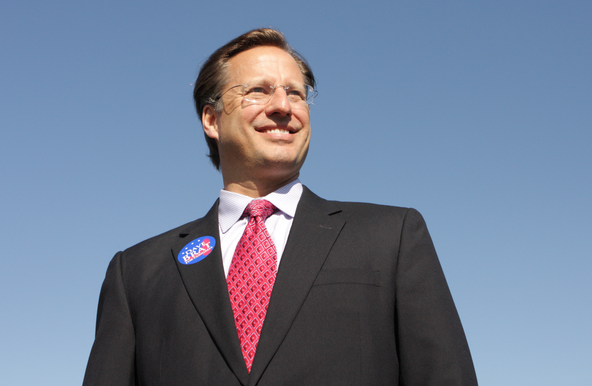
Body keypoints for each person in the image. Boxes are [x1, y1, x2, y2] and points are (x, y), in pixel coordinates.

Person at [83, 28, 478, 386]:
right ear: (211, 119)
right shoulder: (136, 273)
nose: (283, 106)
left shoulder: (391, 237)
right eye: (258, 90)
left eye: (295, 93)